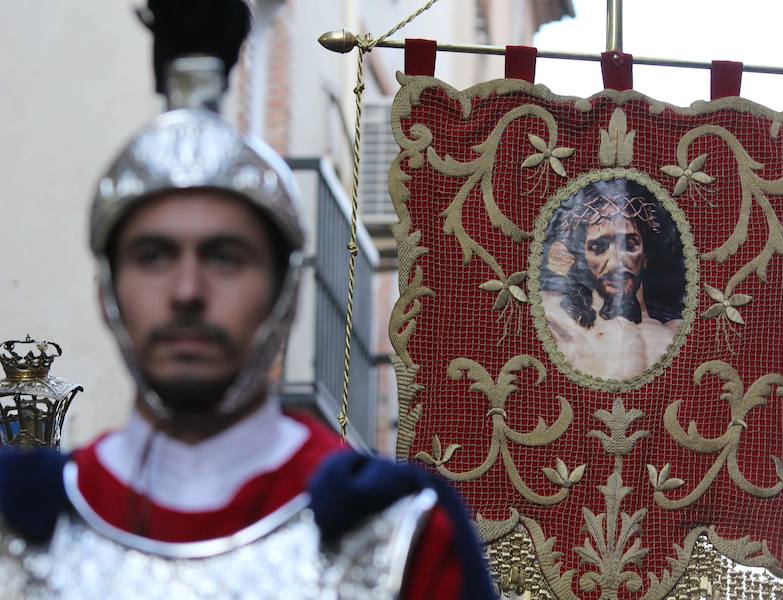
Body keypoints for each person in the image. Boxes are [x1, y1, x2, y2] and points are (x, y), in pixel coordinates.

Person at [0, 1, 493, 598]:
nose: (186, 292)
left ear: (283, 290)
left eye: (225, 257)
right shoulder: (21, 525)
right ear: (107, 291)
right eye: (153, 257)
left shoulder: (397, 532)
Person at [540, 178, 686, 380]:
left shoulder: (678, 330)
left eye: (629, 244)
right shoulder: (559, 322)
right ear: (582, 259)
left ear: (645, 257)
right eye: (598, 247)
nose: (616, 261)